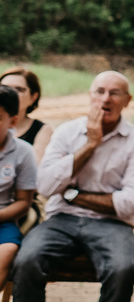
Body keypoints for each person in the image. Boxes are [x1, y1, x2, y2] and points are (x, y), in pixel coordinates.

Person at [12, 71, 134, 302]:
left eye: (115, 93)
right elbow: (45, 187)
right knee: (26, 261)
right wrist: (90, 145)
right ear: (90, 96)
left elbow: (130, 203)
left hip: (113, 225)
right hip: (61, 220)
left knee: (122, 269)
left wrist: (71, 193)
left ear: (128, 101)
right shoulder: (67, 132)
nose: (106, 99)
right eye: (100, 91)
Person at [0, 86, 36, 287]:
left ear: (12, 121)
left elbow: (24, 202)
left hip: (3, 219)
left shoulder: (23, 152)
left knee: (7, 249)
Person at [0, 68, 53, 162]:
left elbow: (36, 169)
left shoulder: (42, 131)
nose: (11, 94)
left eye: (18, 89)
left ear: (33, 97)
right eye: (4, 88)